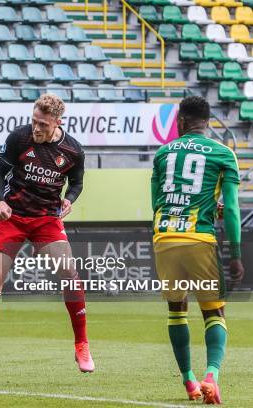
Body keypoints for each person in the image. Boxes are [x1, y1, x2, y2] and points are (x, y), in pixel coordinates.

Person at [0, 93, 93, 385]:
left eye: (42, 124)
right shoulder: (19, 138)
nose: (36, 128)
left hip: (46, 219)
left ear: (58, 122)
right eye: (34, 121)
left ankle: (81, 345)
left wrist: (69, 199)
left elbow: (78, 181)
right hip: (12, 217)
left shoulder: (73, 150)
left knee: (70, 274)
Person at [151, 96, 244, 404]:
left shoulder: (163, 153)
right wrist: (235, 255)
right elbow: (231, 208)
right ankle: (211, 377)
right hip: (199, 239)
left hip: (164, 238)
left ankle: (189, 381)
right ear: (207, 122)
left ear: (180, 122)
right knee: (214, 312)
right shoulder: (223, 153)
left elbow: (157, 203)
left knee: (177, 311)